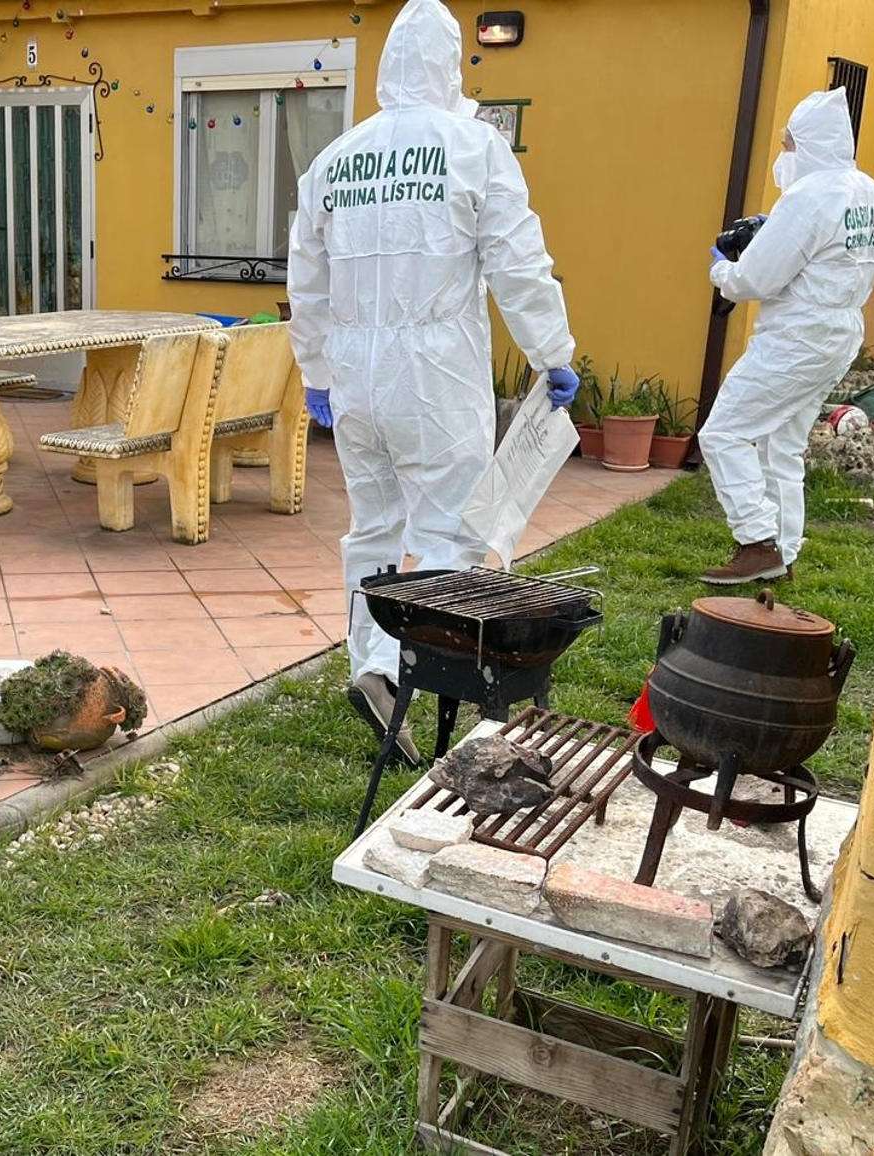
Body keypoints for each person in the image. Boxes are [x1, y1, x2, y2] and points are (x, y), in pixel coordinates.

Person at [287, 0, 577, 761]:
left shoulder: (336, 159)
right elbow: (519, 264)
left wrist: (315, 369)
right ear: (451, 65)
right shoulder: (475, 147)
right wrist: (553, 353)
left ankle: (374, 664)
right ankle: (436, 679)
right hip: (437, 374)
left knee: (372, 526)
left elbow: (306, 280)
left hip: (354, 376)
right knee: (449, 531)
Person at [699, 89, 874, 584]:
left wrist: (722, 271)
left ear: (809, 144)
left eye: (788, 144)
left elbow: (755, 280)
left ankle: (755, 540)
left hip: (796, 337)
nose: (783, 155)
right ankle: (781, 552)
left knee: (723, 432)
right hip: (839, 329)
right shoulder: (866, 189)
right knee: (781, 444)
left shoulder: (807, 197)